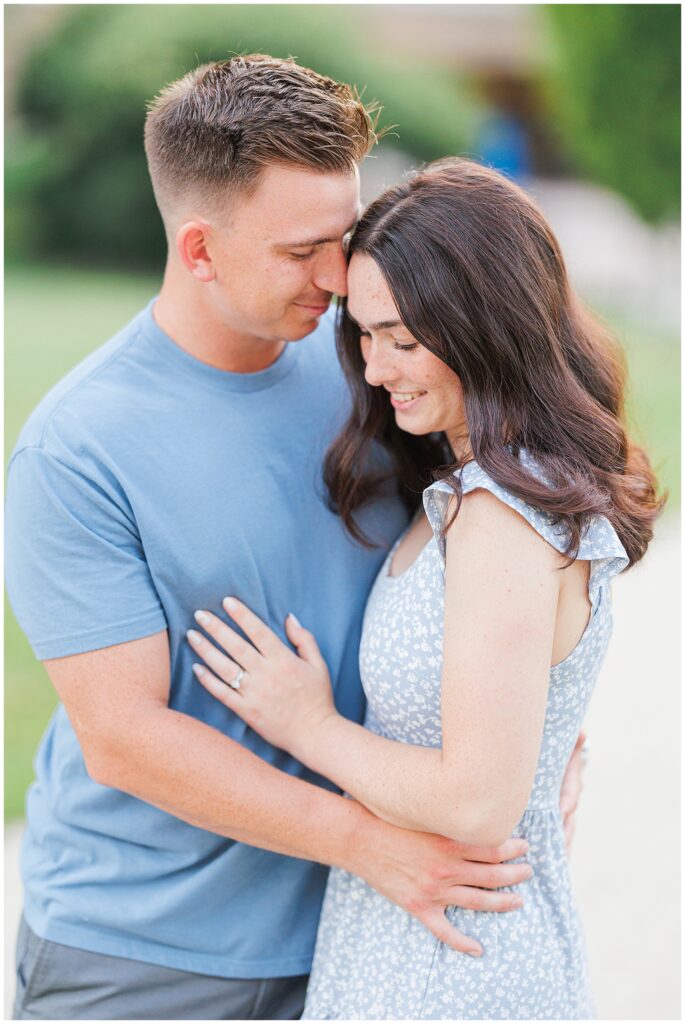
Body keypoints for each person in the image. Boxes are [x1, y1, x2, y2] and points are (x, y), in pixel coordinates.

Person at [5, 58, 583, 1021]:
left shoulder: (378, 359)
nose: (336, 277)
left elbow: (503, 557)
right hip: (154, 952)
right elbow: (125, 741)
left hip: (370, 933)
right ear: (199, 250)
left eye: (344, 237)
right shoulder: (76, 450)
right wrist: (365, 841)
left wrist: (542, 725)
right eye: (300, 250)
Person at [190, 158, 664, 1020]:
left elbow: (477, 803)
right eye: (364, 335)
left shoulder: (499, 514)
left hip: (453, 971)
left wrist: (307, 724)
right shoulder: (479, 490)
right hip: (420, 943)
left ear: (488, 325)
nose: (375, 370)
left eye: (403, 339)